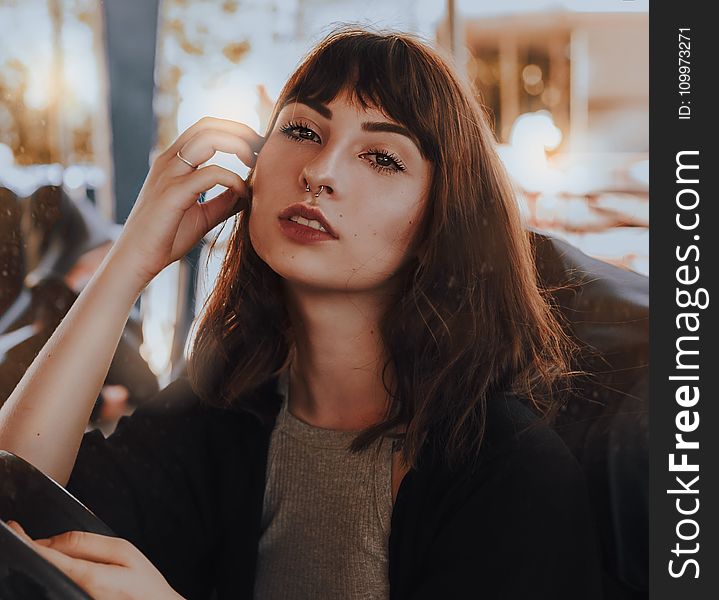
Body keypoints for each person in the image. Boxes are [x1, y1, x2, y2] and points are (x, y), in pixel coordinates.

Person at [0, 27, 604, 599]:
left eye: (383, 158)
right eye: (304, 132)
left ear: (439, 221)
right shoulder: (218, 417)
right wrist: (128, 264)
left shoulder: (513, 473)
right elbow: (15, 518)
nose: (319, 172)